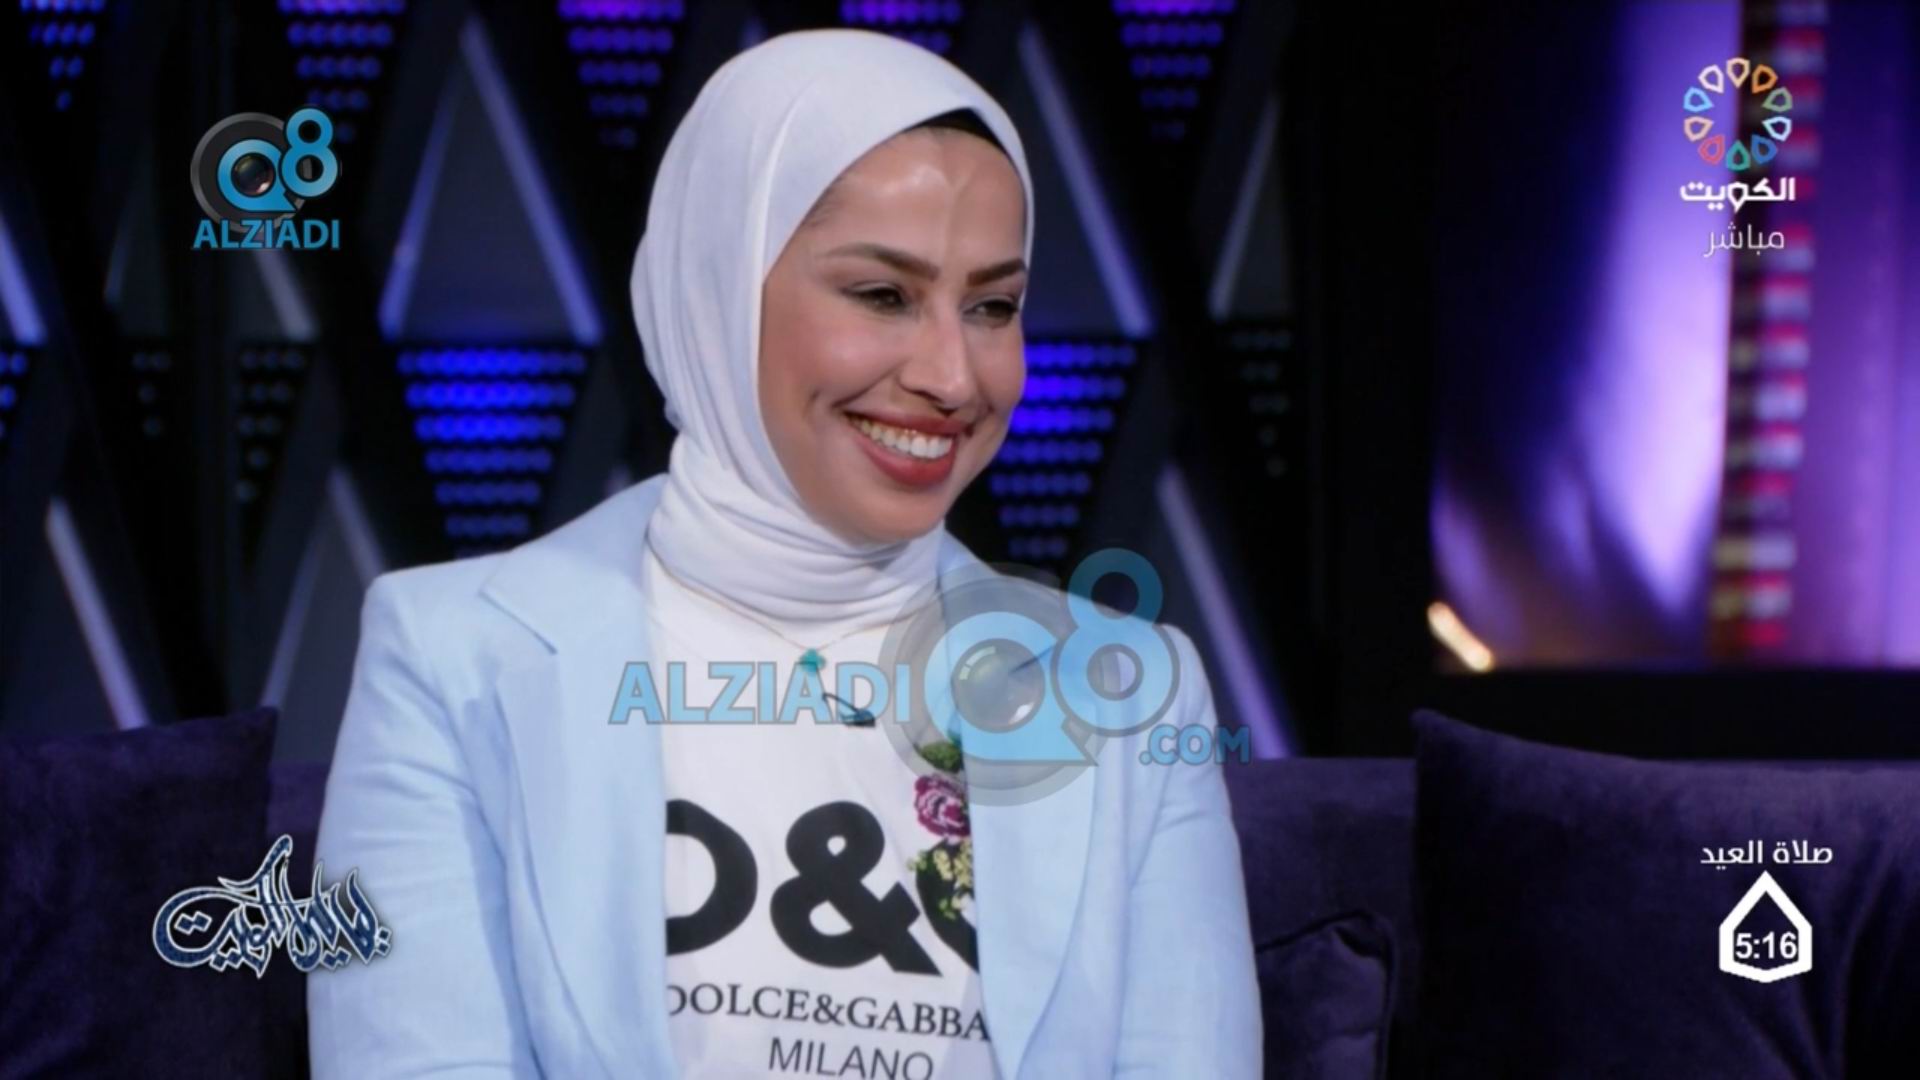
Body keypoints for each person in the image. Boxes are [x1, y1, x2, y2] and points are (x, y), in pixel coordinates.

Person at [309, 27, 1258, 1079]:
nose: (953, 377)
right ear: (716, 289)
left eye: (992, 307)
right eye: (883, 295)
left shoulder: (1130, 692)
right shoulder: (449, 656)